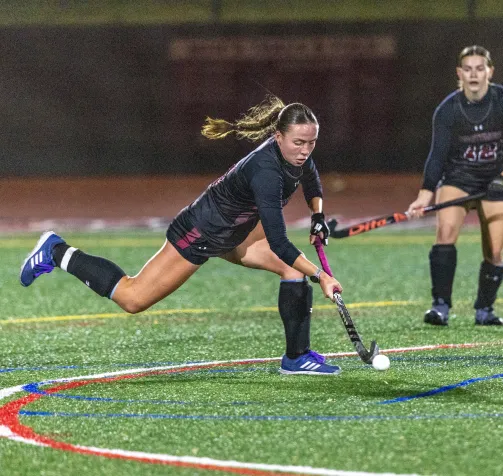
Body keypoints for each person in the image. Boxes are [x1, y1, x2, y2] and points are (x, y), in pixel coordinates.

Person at [20, 95, 344, 376]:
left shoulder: (297, 154)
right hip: (200, 231)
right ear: (277, 137)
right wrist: (320, 275)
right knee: (133, 299)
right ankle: (56, 251)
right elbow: (279, 242)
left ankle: (297, 357)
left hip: (237, 230)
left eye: (311, 143)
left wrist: (317, 216)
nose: (304, 151)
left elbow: (310, 176)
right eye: (298, 143)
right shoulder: (266, 173)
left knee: (290, 271)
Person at [407, 45, 503, 327]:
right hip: (458, 179)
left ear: (489, 71)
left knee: (495, 251)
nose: (474, 74)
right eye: (468, 69)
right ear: (460, 73)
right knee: (445, 233)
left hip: (496, 180)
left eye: (480, 68)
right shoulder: (448, 110)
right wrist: (423, 196)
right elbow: (437, 156)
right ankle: (440, 307)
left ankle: (484, 310)